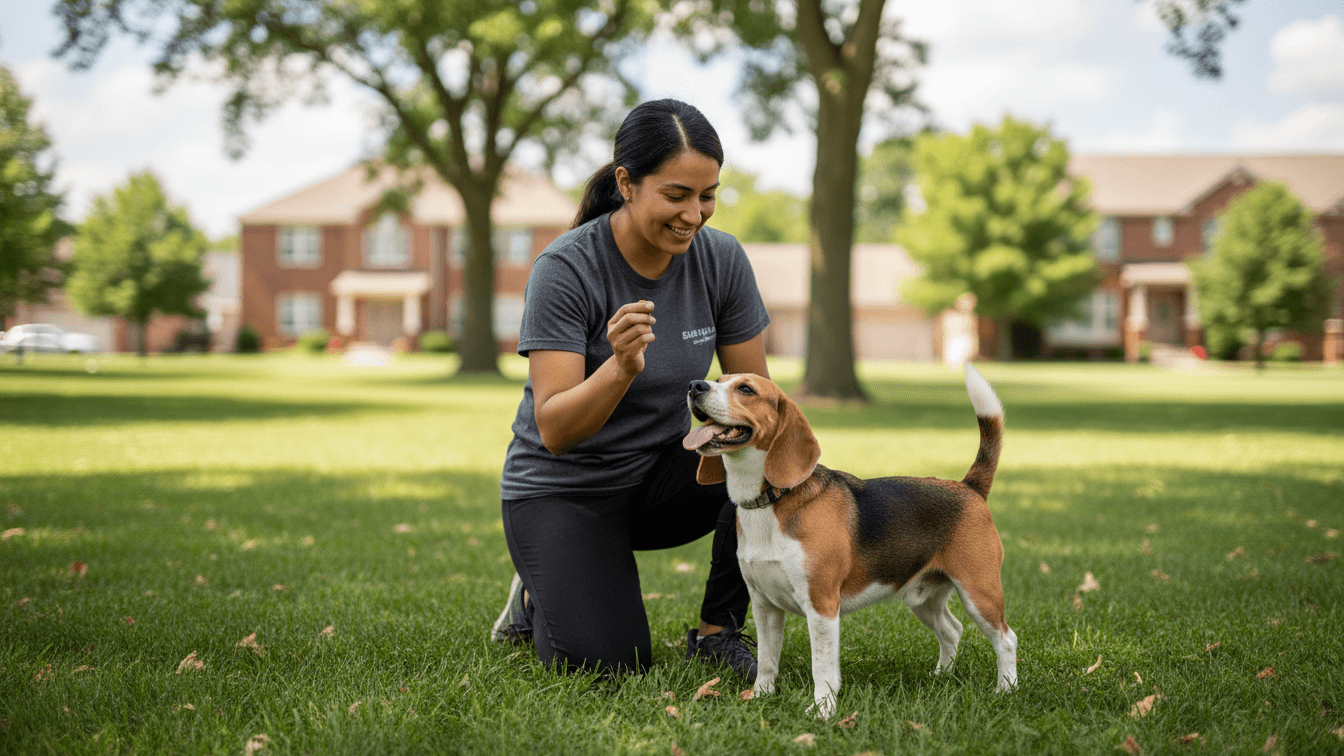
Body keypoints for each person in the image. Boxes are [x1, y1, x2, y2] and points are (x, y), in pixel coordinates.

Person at [490, 99, 770, 680]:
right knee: (608, 665)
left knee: (763, 453)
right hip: (563, 491)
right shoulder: (566, 269)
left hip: (660, 481)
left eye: (708, 195)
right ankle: (535, 596)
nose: (694, 214)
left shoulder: (721, 261)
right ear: (626, 183)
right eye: (676, 195)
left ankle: (720, 632)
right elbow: (556, 430)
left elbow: (758, 402)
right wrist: (618, 367)